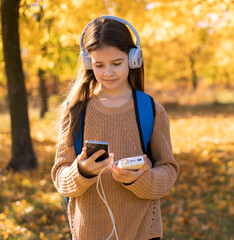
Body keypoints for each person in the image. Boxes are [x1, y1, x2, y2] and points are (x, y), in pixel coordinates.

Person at [51, 16, 179, 240]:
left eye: (117, 63)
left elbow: (168, 171)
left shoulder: (151, 110)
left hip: (143, 233)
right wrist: (82, 172)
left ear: (133, 59)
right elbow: (61, 179)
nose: (108, 72)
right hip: (88, 233)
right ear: (88, 63)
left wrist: (140, 179)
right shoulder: (74, 112)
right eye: (99, 65)